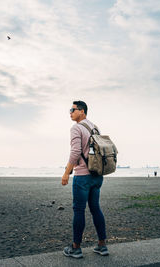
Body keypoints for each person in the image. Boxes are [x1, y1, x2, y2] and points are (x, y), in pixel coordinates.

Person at [61, 100, 108, 259]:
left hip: (82, 176)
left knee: (79, 210)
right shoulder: (95, 127)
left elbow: (75, 152)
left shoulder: (76, 128)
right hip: (97, 175)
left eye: (72, 110)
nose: (70, 113)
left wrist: (67, 172)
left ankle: (76, 248)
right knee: (95, 208)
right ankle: (102, 245)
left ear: (82, 111)